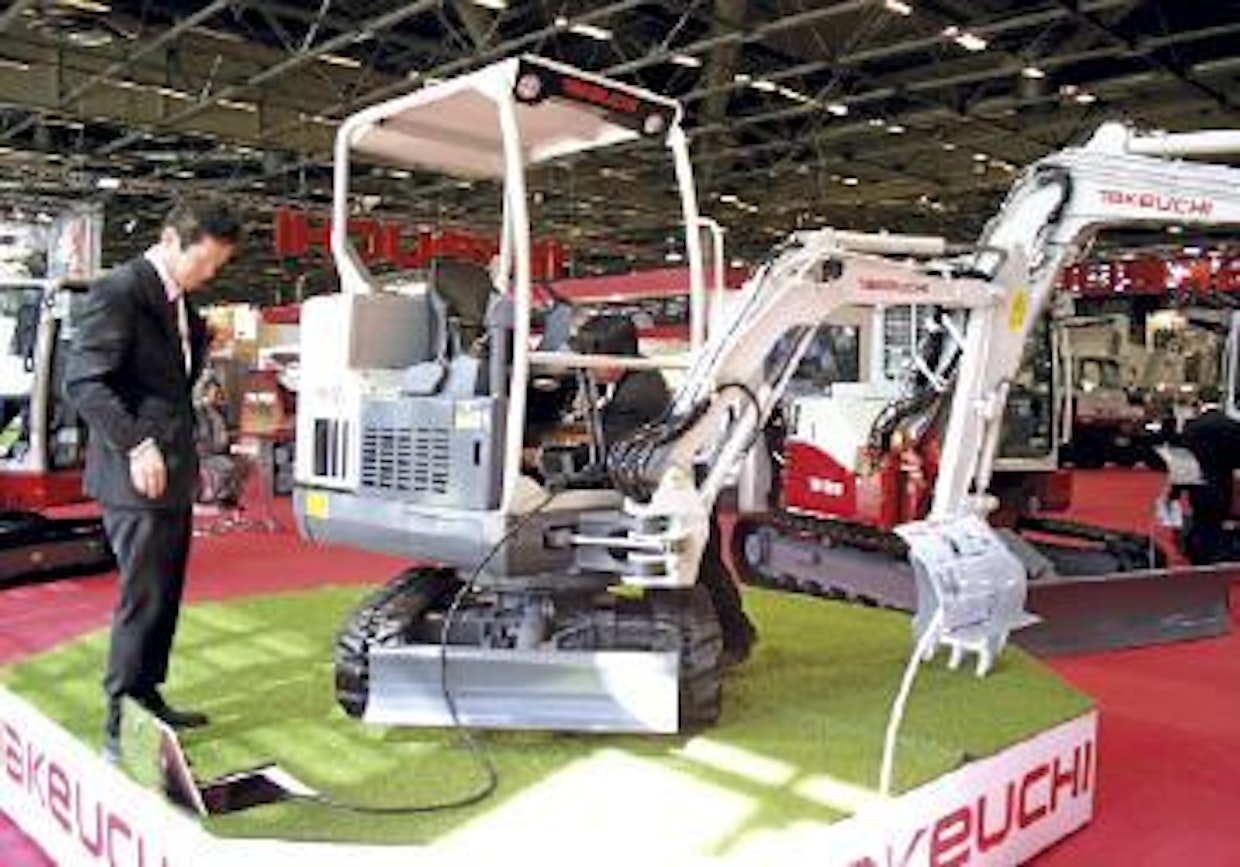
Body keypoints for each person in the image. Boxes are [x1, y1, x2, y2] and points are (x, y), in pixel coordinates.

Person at [65, 198, 242, 762]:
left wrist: (202, 341)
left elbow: (165, 382)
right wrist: (136, 444)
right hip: (134, 474)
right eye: (203, 262)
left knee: (164, 593)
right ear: (170, 240)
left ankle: (147, 695)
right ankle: (120, 717)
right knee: (142, 597)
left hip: (171, 471)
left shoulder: (177, 299)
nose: (208, 274)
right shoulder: (120, 291)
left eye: (216, 265)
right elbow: (85, 383)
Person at [574, 314, 758, 665]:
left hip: (674, 487)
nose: (586, 367)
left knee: (701, 567)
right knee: (705, 566)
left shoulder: (636, 395)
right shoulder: (640, 379)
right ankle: (734, 636)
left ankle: (732, 639)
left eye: (590, 358)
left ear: (613, 356)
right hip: (678, 481)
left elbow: (612, 447)